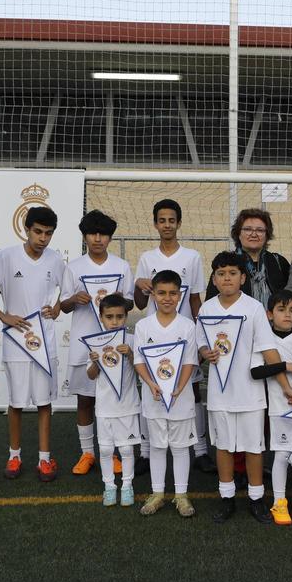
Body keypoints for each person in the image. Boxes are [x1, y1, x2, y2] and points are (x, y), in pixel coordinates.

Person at [197, 251, 292, 523]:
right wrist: (206, 351)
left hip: (251, 392)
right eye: (221, 274)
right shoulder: (207, 309)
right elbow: (200, 343)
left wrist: (285, 385)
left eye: (232, 273)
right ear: (214, 279)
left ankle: (256, 498)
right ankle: (226, 497)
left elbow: (269, 350)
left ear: (242, 278)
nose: (227, 278)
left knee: (253, 448)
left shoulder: (253, 309)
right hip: (219, 393)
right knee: (224, 446)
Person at [0, 206, 67, 483]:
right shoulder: (6, 257)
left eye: (48, 233)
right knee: (16, 402)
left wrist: (57, 308)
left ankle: (45, 459)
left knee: (44, 403)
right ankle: (14, 455)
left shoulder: (56, 260)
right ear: (26, 228)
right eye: (38, 232)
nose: (43, 238)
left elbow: (68, 292)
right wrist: (3, 315)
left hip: (46, 343)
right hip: (16, 342)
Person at [134, 199, 214, 474]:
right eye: (162, 220)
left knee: (190, 390)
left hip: (181, 336)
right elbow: (140, 304)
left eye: (171, 220)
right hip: (154, 337)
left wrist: (201, 335)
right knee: (151, 391)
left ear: (179, 223)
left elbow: (195, 300)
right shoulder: (146, 258)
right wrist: (138, 285)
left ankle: (200, 449)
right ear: (155, 223)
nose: (167, 225)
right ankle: (146, 451)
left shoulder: (192, 257)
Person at [59, 210, 134, 477]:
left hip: (113, 344)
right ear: (85, 236)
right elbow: (63, 305)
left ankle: (112, 453)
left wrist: (114, 301)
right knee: (85, 400)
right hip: (84, 344)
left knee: (112, 397)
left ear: (110, 237)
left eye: (103, 234)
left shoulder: (121, 266)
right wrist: (74, 299)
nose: (98, 238)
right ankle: (87, 452)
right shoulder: (74, 267)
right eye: (93, 233)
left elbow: (129, 302)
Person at [131, 273, 200, 517]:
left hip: (181, 397)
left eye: (173, 293)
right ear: (153, 295)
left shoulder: (188, 325)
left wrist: (180, 388)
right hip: (154, 397)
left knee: (181, 447)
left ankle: (181, 495)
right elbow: (138, 361)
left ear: (180, 295)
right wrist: (151, 384)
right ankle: (157, 493)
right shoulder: (143, 325)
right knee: (158, 446)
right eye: (162, 293)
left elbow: (190, 362)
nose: (167, 298)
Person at [249, 289, 292, 526]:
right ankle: (279, 501)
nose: (287, 315)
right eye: (281, 310)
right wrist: (286, 366)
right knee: (283, 454)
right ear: (269, 314)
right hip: (278, 407)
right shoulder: (265, 341)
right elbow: (256, 372)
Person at [84, 294, 143, 508]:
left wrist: (131, 356)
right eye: (109, 317)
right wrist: (96, 363)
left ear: (126, 317)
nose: (115, 321)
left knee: (127, 450)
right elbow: (90, 375)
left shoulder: (133, 340)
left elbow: (143, 371)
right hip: (104, 407)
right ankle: (109, 486)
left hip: (127, 406)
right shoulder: (96, 343)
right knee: (107, 450)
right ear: (101, 318)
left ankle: (127, 485)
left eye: (119, 317)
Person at [205, 208, 290, 308]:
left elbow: (290, 295)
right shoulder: (227, 264)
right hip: (239, 321)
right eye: (248, 229)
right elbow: (212, 300)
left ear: (267, 235)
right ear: (238, 234)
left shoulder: (278, 262)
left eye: (260, 230)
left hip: (273, 322)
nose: (254, 234)